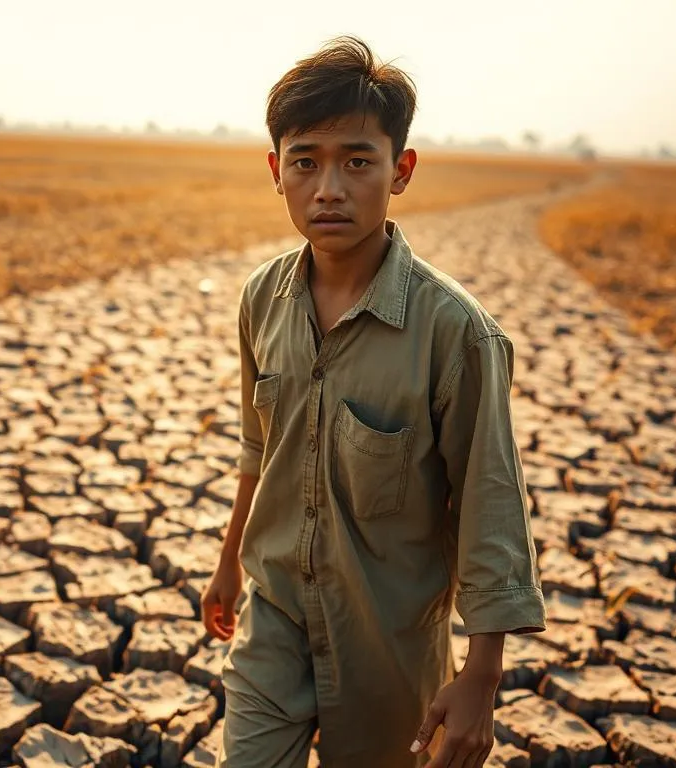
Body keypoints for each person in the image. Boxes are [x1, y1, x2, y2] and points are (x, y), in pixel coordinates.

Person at [200, 36, 547, 768]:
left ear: (401, 171)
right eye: (306, 161)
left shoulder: (455, 332)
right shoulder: (263, 297)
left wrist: (481, 676)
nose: (329, 187)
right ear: (276, 171)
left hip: (388, 643)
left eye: (358, 161)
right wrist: (230, 560)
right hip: (275, 621)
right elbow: (260, 444)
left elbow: (490, 500)